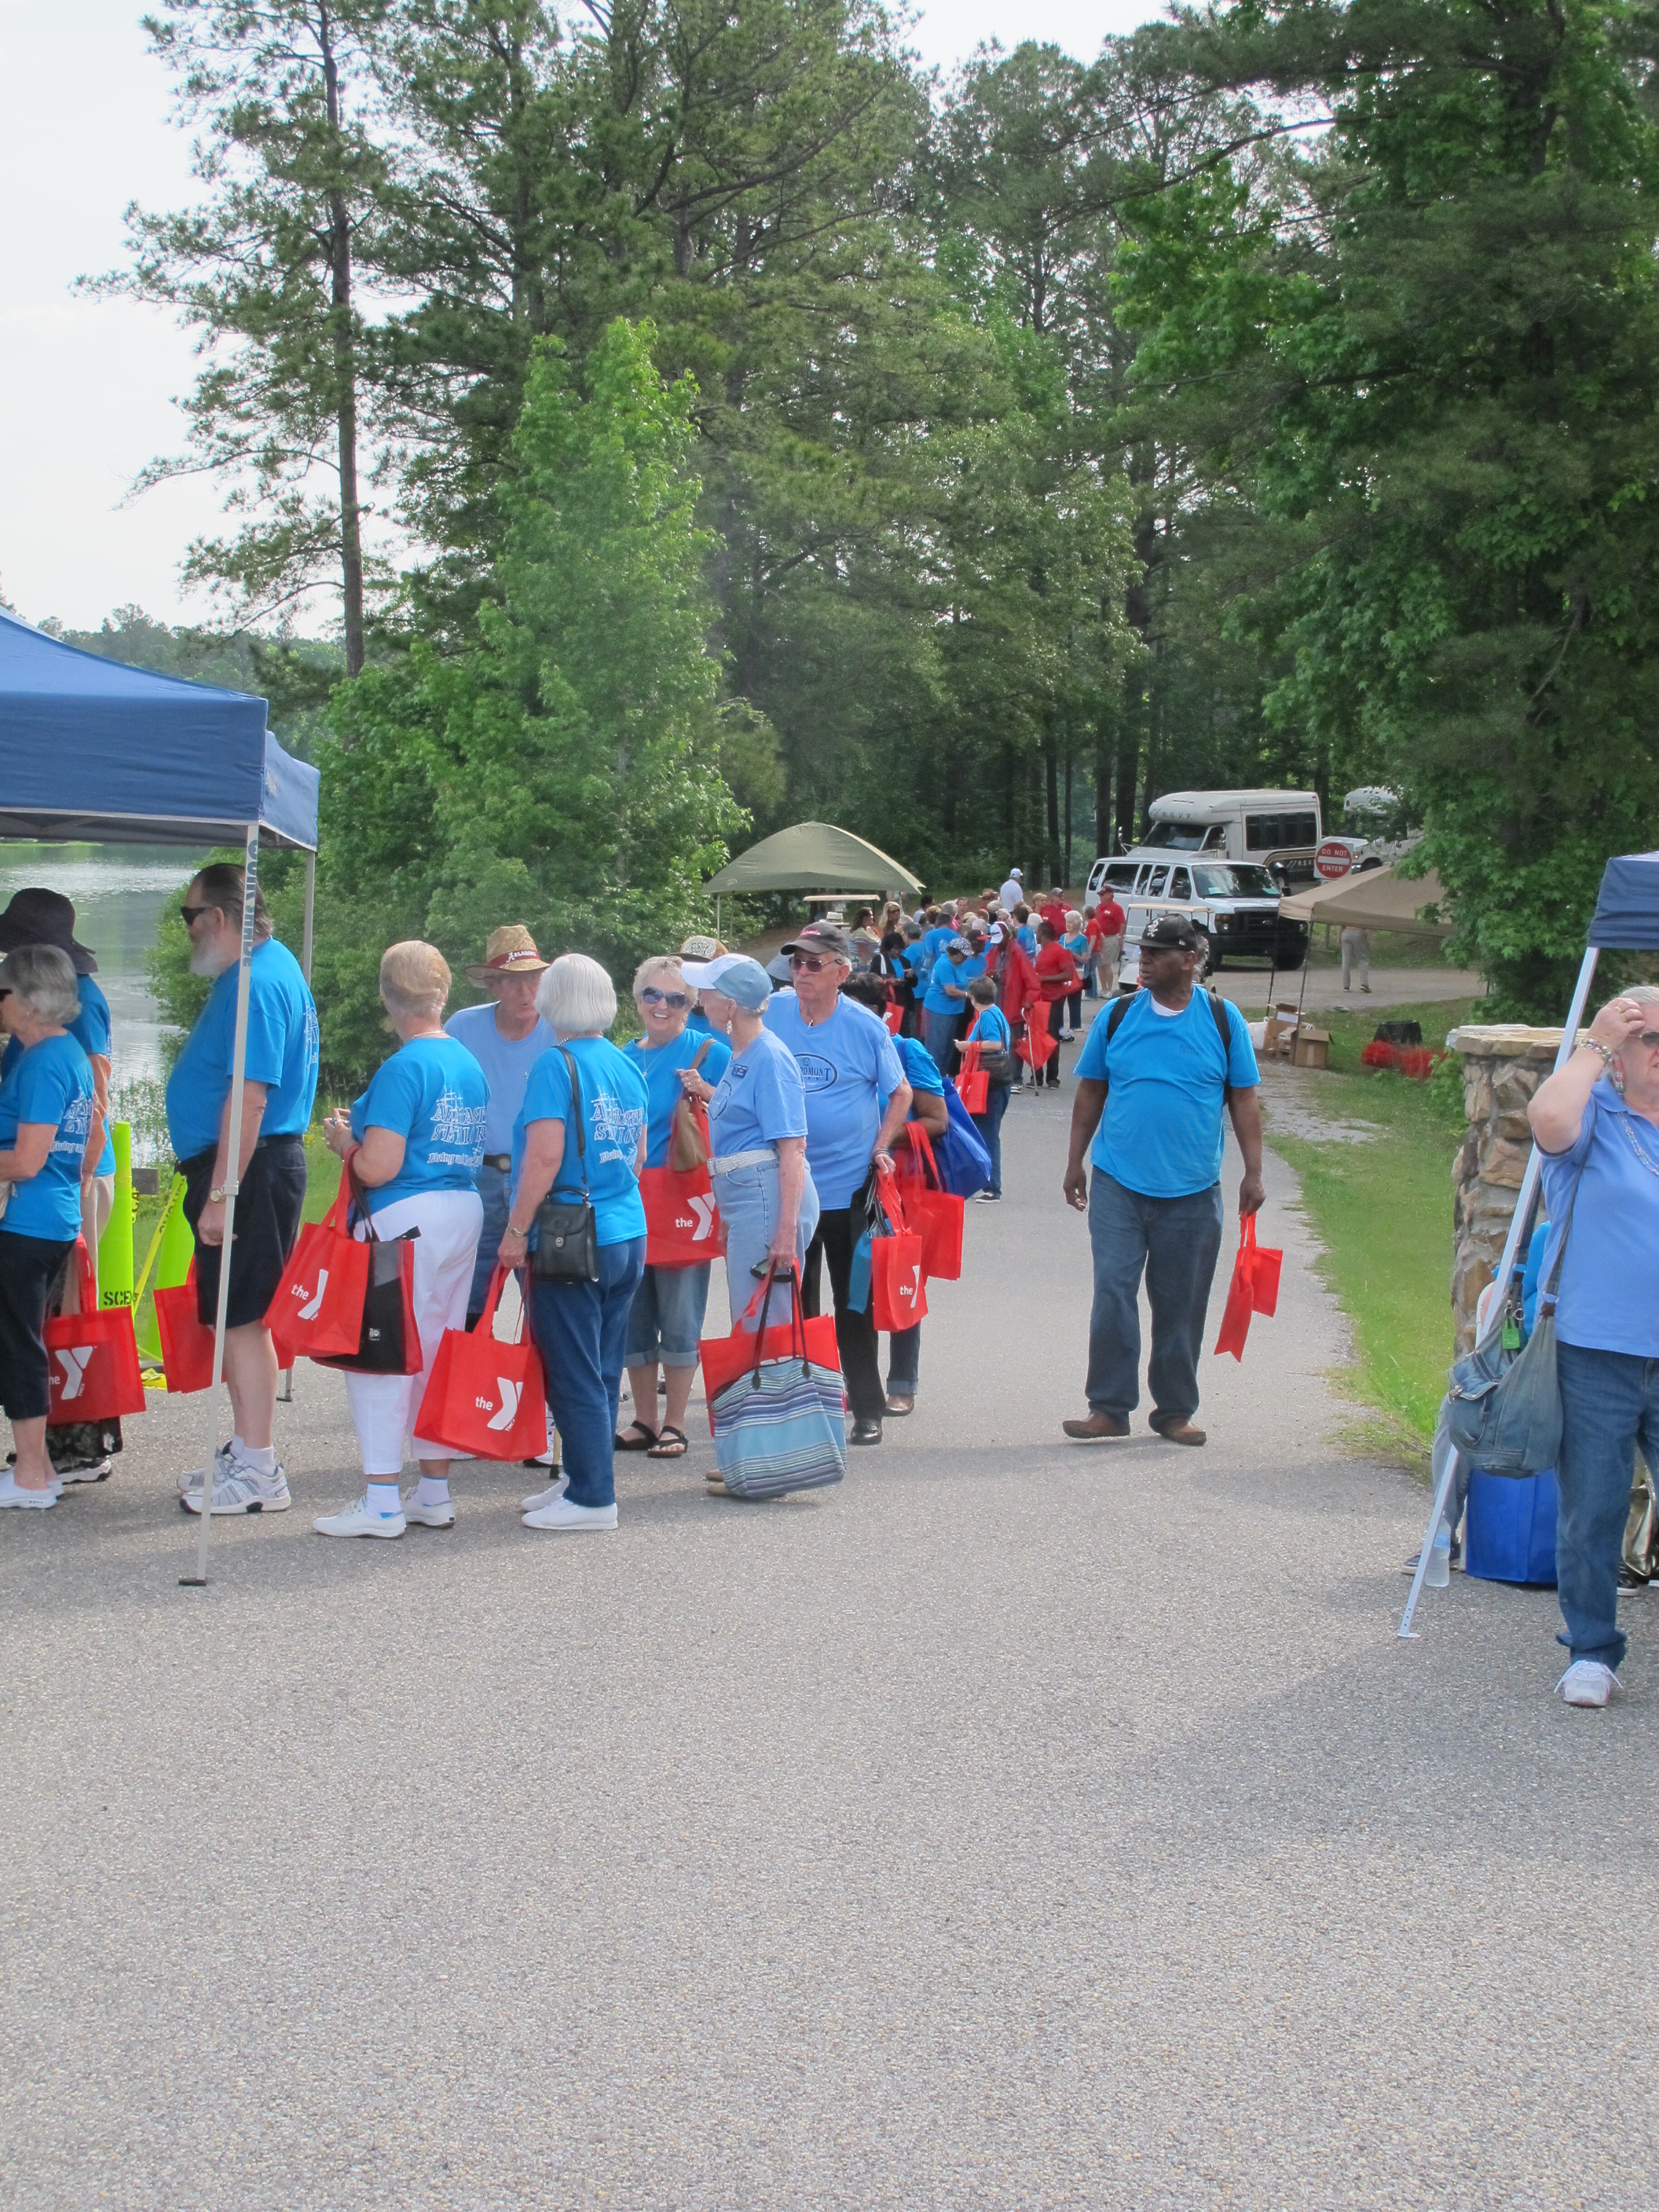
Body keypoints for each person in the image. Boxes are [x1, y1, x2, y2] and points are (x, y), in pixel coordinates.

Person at [1061, 914, 1263, 1448]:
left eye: (1157, 953)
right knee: (1113, 1290)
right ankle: (1108, 1407)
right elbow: (1090, 1092)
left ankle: (1174, 1410)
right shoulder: (1119, 1014)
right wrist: (1074, 1161)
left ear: (1190, 959)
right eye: (1143, 952)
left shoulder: (1223, 1020)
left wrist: (1254, 1171)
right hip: (1118, 1183)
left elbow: (1243, 1097)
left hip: (1193, 1190)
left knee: (1181, 1302)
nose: (1144, 961)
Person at [314, 943, 489, 1539]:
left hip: (404, 1216)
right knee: (438, 1348)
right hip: (461, 1208)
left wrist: (345, 1142)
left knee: (381, 1352)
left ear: (388, 999)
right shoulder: (467, 1061)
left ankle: (382, 1499)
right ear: (443, 995)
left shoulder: (403, 1067)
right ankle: (433, 1489)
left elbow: (378, 1166)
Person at [171, 863, 318, 1518]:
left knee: (243, 1316)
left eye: (190, 916)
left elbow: (250, 1098)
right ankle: (246, 1448)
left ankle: (259, 1467)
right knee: (234, 1313)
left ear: (222, 918)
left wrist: (222, 1192)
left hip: (249, 1170)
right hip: (248, 1168)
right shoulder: (260, 971)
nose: (189, 931)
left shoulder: (257, 982)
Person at [1526, 987, 1659, 1707]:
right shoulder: (1595, 1114)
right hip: (1597, 1349)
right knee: (1595, 1508)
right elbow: (1545, 1120)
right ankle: (1591, 1650)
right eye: (1649, 1039)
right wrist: (1595, 1042)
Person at [498, 954, 648, 1533]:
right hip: (625, 1229)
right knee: (602, 1365)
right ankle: (585, 1476)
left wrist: (516, 1231)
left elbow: (543, 1156)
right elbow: (637, 1156)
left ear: (552, 1001)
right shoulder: (624, 1062)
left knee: (573, 1368)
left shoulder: (554, 1066)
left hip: (569, 1235)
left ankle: (593, 1496)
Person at [762, 921, 910, 1445]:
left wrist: (881, 1145)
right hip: (790, 1186)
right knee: (793, 1302)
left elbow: (900, 1094)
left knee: (854, 1303)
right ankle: (802, 1404)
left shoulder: (865, 1027)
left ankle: (866, 1408)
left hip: (850, 1189)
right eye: (795, 962)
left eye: (812, 963)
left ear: (842, 971)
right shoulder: (775, 1010)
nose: (800, 971)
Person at [0, 889, 117, 1480]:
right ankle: (38, 1459)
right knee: (26, 1334)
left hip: (32, 1214)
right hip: (50, 1207)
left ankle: (42, 1467)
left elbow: (30, 1156)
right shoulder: (57, 1050)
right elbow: (86, 1130)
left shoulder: (51, 1055)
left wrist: (65, 1181)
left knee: (25, 1338)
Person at [619, 955, 733, 1461]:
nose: (662, 1006)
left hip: (686, 1196)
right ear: (637, 998)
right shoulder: (622, 1054)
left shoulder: (712, 1052)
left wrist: (704, 1091)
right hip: (629, 1197)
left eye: (677, 998)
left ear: (692, 1006)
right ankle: (643, 1419)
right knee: (634, 1314)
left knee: (681, 1312)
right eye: (653, 995)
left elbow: (743, 1120)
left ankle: (674, 1423)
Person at [680, 954, 819, 1372]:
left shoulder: (768, 1057)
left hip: (766, 1199)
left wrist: (784, 1233)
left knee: (766, 1320)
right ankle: (773, 1422)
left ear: (731, 1005)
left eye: (707, 991)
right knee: (758, 1315)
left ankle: (777, 1424)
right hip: (753, 1199)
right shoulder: (746, 1053)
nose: (700, 997)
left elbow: (793, 1148)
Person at [841, 974, 948, 1417]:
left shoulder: (906, 1051)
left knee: (902, 1277)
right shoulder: (830, 1048)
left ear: (878, 1014)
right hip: (845, 1186)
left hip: (898, 1185)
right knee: (853, 1287)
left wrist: (880, 1138)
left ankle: (902, 1383)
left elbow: (937, 1120)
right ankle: (860, 1384)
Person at [445, 925, 558, 1328]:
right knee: (470, 1299)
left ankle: (536, 1389)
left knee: (547, 1300)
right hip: (480, 1177)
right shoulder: (461, 1029)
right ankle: (471, 1383)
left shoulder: (562, 1029)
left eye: (533, 979)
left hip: (543, 1179)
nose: (526, 993)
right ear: (493, 984)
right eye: (513, 982)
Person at [964, 975, 1013, 1202]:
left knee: (987, 1134)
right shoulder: (997, 1013)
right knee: (986, 1131)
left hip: (988, 1081)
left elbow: (996, 1043)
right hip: (999, 1079)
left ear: (974, 999)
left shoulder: (985, 1017)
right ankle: (985, 1181)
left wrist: (969, 1046)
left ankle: (993, 1186)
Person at [920, 935, 985, 1075]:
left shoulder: (955, 964)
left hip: (952, 1010)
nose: (966, 958)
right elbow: (950, 990)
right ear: (956, 954)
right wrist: (971, 996)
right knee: (938, 1045)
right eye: (964, 955)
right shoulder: (945, 965)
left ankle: (944, 1074)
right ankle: (933, 1076)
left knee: (949, 1045)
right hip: (940, 1009)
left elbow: (961, 981)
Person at [1032, 920, 1081, 1090]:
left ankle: (1052, 1076)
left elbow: (1068, 975)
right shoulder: (1043, 951)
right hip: (1040, 999)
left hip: (1053, 1000)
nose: (1035, 935)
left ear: (1043, 933)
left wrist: (1044, 979)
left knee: (1052, 1037)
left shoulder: (1059, 951)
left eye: (1037, 932)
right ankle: (1037, 1076)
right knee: (1038, 1037)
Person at [679, 936, 728, 1034]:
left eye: (703, 973)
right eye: (689, 972)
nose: (695, 981)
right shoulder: (667, 1016)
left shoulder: (737, 1022)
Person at [1087, 892, 1126, 997]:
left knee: (1107, 963)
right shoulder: (1099, 907)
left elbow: (1122, 922)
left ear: (1110, 895)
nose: (1100, 896)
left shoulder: (1116, 908)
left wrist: (1120, 937)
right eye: (1100, 894)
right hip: (1101, 938)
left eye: (1103, 894)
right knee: (1100, 964)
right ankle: (1103, 989)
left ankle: (1109, 989)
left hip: (1110, 937)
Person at [1060, 912, 1090, 1038]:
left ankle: (1074, 1027)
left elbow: (1086, 959)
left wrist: (1074, 956)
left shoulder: (1082, 939)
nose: (1068, 924)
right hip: (1063, 972)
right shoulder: (1063, 937)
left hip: (1076, 972)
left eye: (1070, 922)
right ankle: (1059, 1027)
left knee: (1074, 1000)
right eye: (1067, 921)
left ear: (1077, 924)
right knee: (1060, 1000)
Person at [1341, 925, 1372, 993]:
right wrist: (1368, 939)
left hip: (1346, 932)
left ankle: (1346, 985)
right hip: (1359, 931)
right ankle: (1364, 984)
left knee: (1346, 961)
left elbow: (1340, 924)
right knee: (1362, 959)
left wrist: (1339, 936)